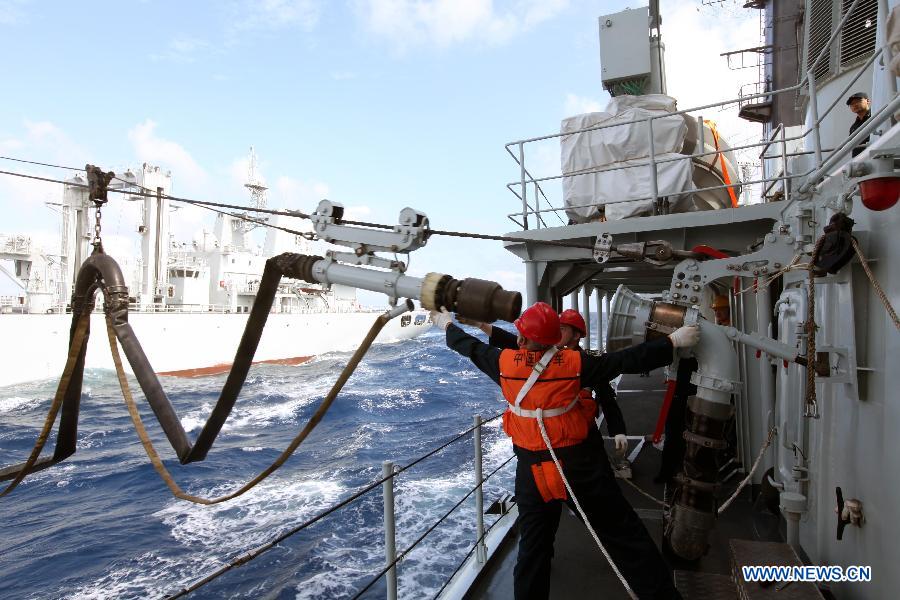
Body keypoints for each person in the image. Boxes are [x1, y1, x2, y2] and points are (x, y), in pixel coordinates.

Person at [432, 302, 699, 600]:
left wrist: (446, 324)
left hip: (532, 472)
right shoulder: (575, 365)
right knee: (624, 537)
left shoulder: (504, 364)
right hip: (579, 468)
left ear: (521, 340)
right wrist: (672, 341)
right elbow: (626, 360)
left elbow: (469, 347)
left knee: (534, 548)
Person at [846, 91, 871, 157]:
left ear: (868, 101)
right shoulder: (853, 127)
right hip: (859, 162)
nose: (855, 105)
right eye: (851, 104)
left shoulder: (877, 115)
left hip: (875, 156)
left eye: (858, 101)